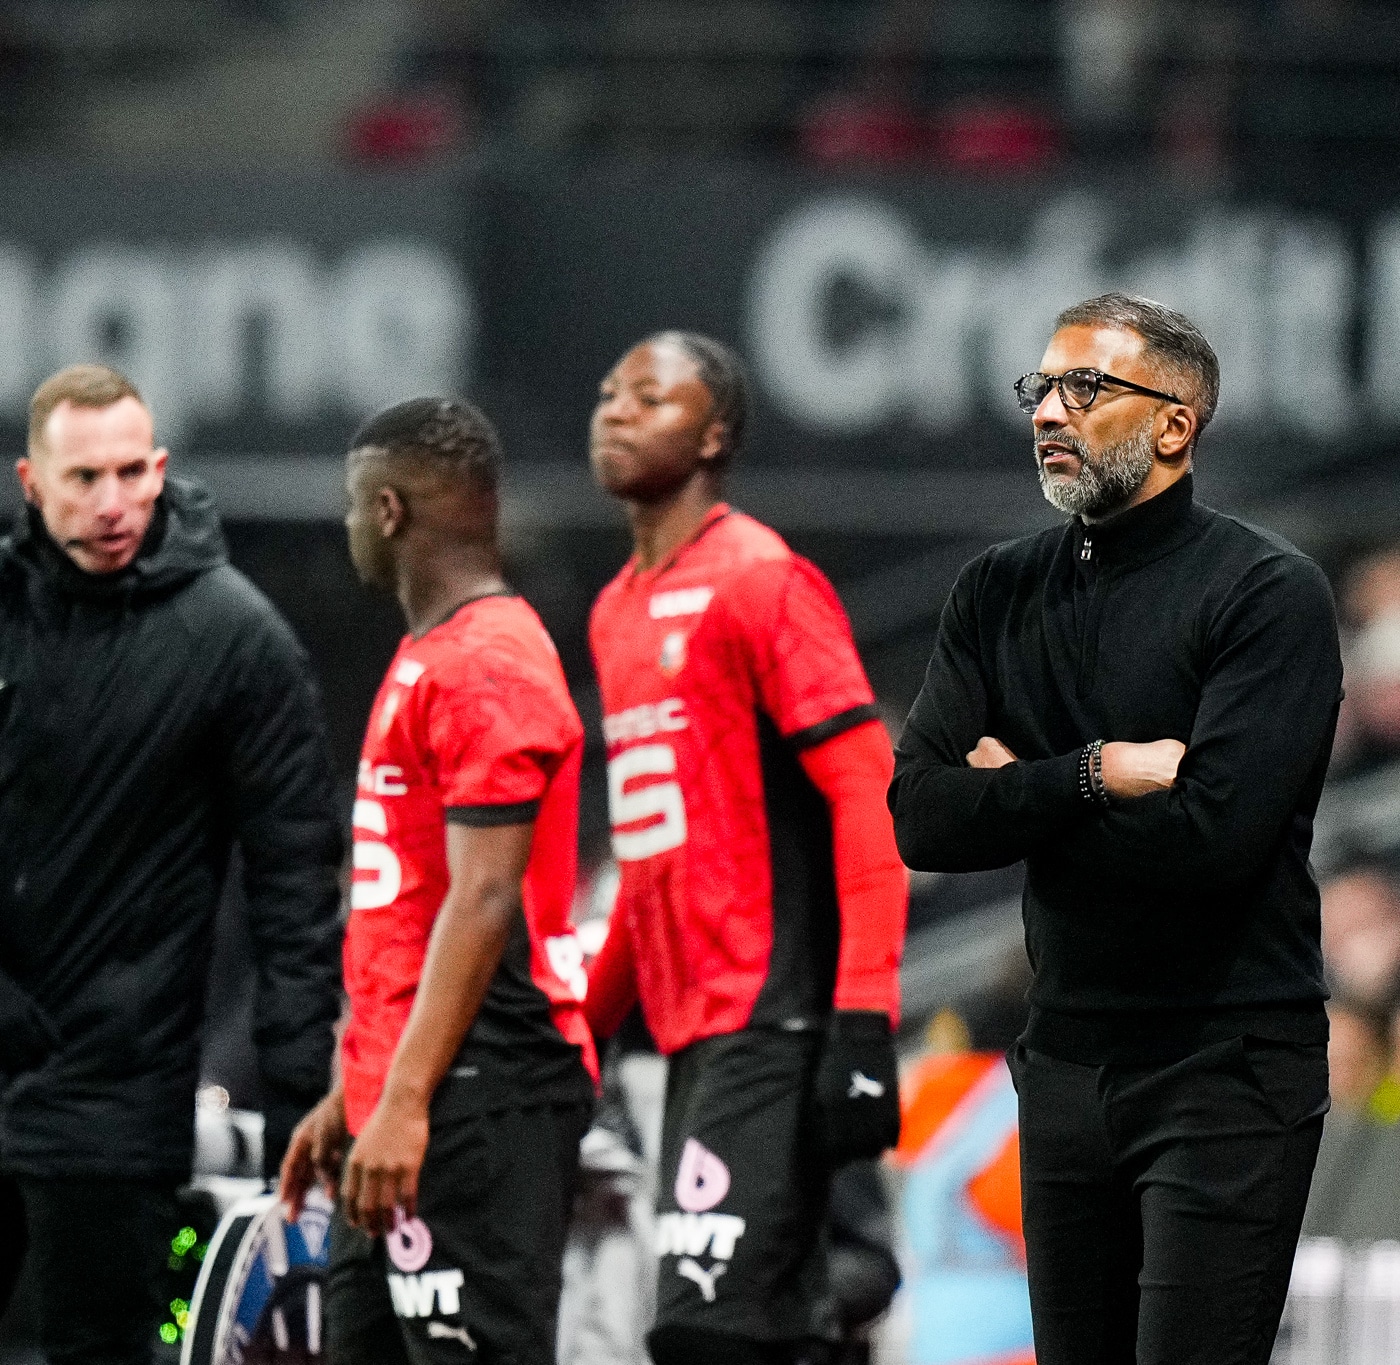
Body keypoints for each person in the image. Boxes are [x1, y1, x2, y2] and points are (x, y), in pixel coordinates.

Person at [888, 292, 1344, 1365]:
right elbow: (918, 816)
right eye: (1039, 388)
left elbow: (1210, 847)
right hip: (1065, 1059)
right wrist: (1093, 775)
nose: (1049, 410)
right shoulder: (993, 590)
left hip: (1223, 1062)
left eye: (1084, 388)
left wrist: (1014, 793)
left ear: (1174, 424)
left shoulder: (1267, 592)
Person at [0, 363, 343, 1365]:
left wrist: (297, 1108)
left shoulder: (239, 643)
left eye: (129, 474)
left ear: (160, 471)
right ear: (32, 481)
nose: (112, 503)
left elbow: (294, 895)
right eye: (83, 479)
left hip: (113, 1099)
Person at [578, 331, 909, 1365]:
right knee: (729, 1332)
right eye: (607, 391)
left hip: (776, 1017)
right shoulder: (614, 613)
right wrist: (578, 1035)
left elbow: (865, 797)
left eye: (648, 395)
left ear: (715, 432)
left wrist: (863, 1019)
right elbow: (649, 865)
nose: (614, 409)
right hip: (687, 1042)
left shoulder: (762, 581)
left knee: (711, 1333)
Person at [277, 397, 597, 1363]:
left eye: (347, 508)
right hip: (411, 1093)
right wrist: (356, 1086)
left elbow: (485, 899)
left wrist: (406, 1098)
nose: (345, 531)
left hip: (480, 1094)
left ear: (386, 511)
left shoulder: (489, 661)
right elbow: (408, 903)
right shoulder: (431, 655)